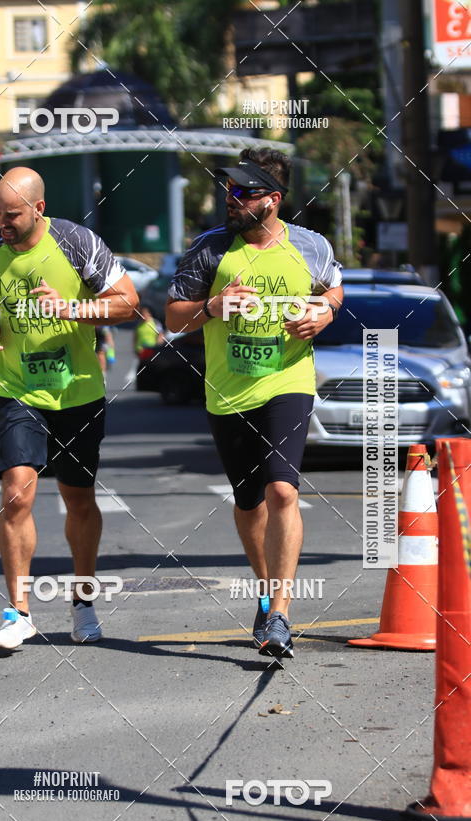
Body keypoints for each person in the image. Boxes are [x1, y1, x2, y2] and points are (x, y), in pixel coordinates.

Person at [165, 148, 343, 659]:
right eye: (229, 190)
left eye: (244, 191)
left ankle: (282, 614)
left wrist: (325, 313)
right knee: (249, 504)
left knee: (283, 492)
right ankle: (266, 595)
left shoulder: (309, 246)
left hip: (288, 381)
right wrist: (213, 306)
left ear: (274, 199)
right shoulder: (210, 249)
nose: (232, 198)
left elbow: (333, 288)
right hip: (228, 392)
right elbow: (173, 317)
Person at [0, 166, 138, 650]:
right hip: (17, 390)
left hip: (76, 393)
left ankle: (83, 600)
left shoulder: (78, 242)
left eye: (13, 215)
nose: (3, 223)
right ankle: (18, 611)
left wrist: (73, 309)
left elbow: (129, 304)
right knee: (16, 494)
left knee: (78, 500)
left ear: (39, 208)